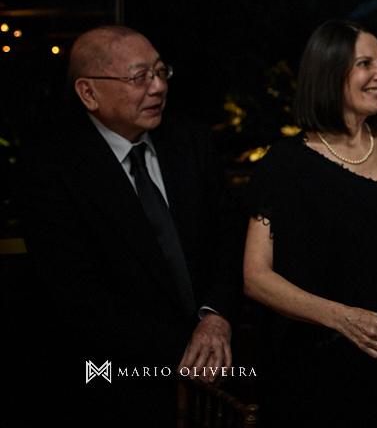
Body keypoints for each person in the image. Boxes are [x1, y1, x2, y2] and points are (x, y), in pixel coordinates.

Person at [19, 25, 242, 427]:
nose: (158, 87)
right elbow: (75, 294)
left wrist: (216, 317)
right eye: (139, 77)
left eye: (161, 72)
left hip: (217, 375)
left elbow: (229, 235)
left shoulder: (191, 140)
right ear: (89, 93)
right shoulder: (52, 169)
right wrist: (188, 346)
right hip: (111, 385)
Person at [242, 19, 377, 427]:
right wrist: (342, 318)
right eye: (365, 64)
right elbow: (255, 276)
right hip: (317, 366)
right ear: (329, 73)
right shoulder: (284, 165)